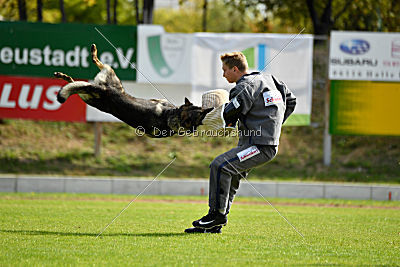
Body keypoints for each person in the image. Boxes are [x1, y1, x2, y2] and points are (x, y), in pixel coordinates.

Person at [185, 52, 296, 234]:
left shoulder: (244, 86)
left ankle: (216, 215)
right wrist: (273, 125)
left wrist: (204, 117)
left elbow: (230, 113)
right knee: (232, 175)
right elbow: (291, 101)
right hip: (260, 143)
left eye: (225, 70)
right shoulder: (271, 80)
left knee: (220, 166)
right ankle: (216, 223)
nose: (223, 75)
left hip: (258, 146)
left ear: (235, 69)